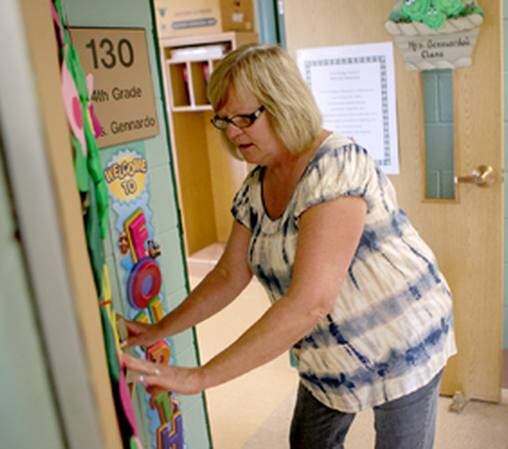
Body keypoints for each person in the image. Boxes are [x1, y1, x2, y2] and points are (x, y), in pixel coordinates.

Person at [122, 43, 457, 449]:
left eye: (245, 117)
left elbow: (307, 303)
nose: (231, 131)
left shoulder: (336, 165)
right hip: (326, 349)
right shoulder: (255, 186)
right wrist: (158, 328)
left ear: (284, 103)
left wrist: (200, 377)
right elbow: (229, 274)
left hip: (400, 333)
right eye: (223, 120)